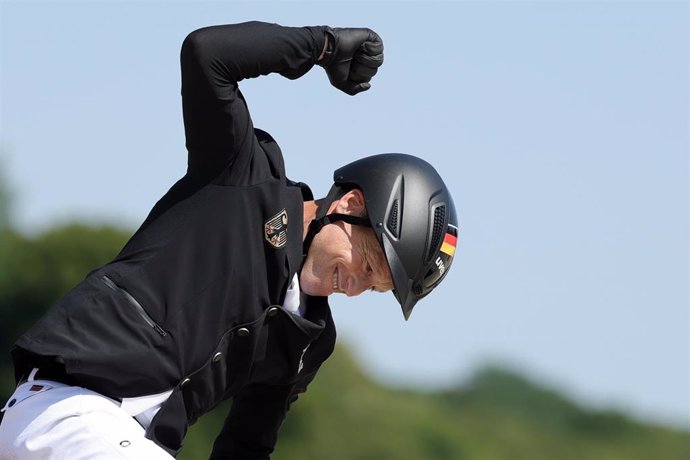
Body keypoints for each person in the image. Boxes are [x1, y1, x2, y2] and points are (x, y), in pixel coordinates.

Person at [0, 21, 458, 459]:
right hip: (65, 411)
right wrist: (323, 45)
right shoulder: (241, 176)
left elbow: (246, 446)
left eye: (373, 288)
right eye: (370, 266)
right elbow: (207, 54)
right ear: (352, 205)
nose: (355, 286)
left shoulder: (308, 342)